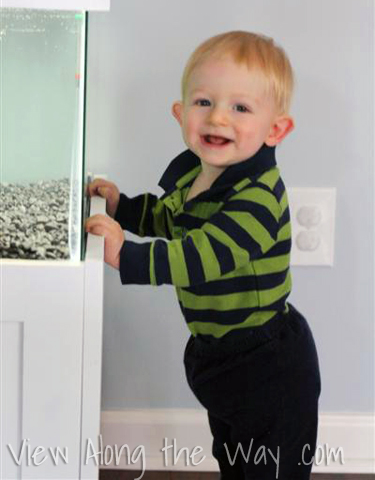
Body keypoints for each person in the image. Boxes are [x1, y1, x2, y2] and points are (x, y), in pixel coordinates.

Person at [86, 31, 321, 479]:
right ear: (180, 113)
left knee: (270, 470)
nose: (218, 118)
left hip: (268, 364)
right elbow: (171, 218)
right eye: (203, 102)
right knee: (232, 457)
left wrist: (128, 256)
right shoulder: (200, 173)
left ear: (276, 129)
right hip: (221, 356)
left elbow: (203, 256)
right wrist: (124, 207)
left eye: (241, 107)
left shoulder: (259, 197)